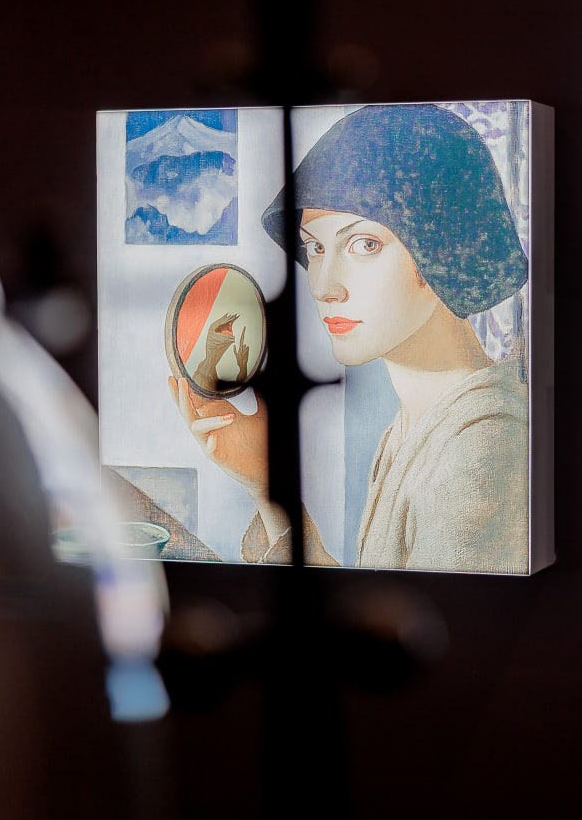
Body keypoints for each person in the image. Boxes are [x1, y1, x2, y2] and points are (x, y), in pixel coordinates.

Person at [169, 104, 531, 574]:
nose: (323, 286)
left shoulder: (480, 452)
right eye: (316, 247)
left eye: (364, 244)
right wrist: (268, 482)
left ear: (442, 249)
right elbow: (376, 600)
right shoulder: (422, 423)